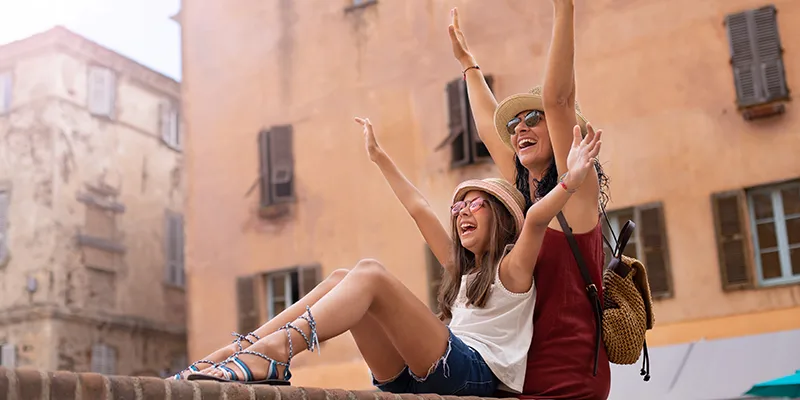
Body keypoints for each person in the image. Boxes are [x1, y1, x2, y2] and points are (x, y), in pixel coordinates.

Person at [185, 116, 601, 397]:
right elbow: (419, 207)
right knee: (340, 278)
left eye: (475, 205)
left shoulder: (511, 270)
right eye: (457, 208)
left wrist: (572, 178)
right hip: (421, 373)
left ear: (500, 217)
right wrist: (380, 158)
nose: (461, 214)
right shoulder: (461, 269)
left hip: (474, 375)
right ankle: (233, 354)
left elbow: (535, 220)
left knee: (370, 275)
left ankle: (271, 356)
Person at [448, 1, 612, 399]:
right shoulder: (524, 201)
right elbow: (490, 128)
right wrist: (469, 66)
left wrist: (563, 10)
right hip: (515, 372)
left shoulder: (577, 192)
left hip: (568, 374)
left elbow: (557, 100)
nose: (520, 127)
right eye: (515, 124)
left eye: (532, 119)